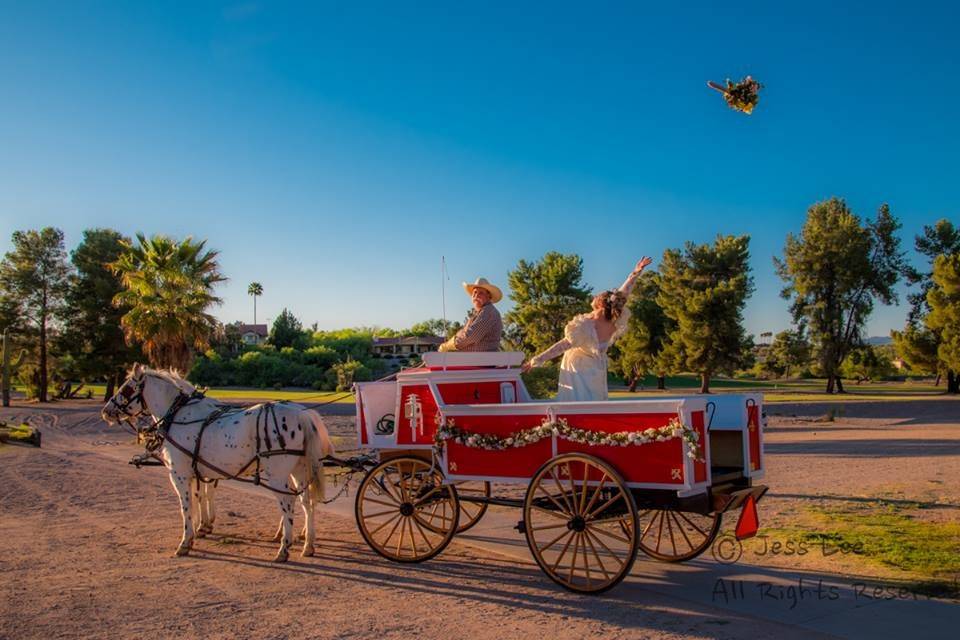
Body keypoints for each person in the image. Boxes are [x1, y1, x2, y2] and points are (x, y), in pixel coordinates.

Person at [523, 257, 653, 401]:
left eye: (596, 297)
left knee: (577, 400)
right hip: (597, 368)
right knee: (594, 400)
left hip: (578, 369)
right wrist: (636, 271)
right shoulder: (613, 321)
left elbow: (562, 345)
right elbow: (624, 293)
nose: (594, 297)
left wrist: (536, 360)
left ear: (600, 304)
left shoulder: (585, 325)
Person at [438, 277, 504, 352]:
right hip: (475, 359)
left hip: (481, 361)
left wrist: (448, 345)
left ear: (488, 296)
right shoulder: (480, 313)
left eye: (481, 293)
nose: (476, 296)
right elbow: (463, 333)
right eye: (474, 292)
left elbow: (470, 336)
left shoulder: (488, 312)